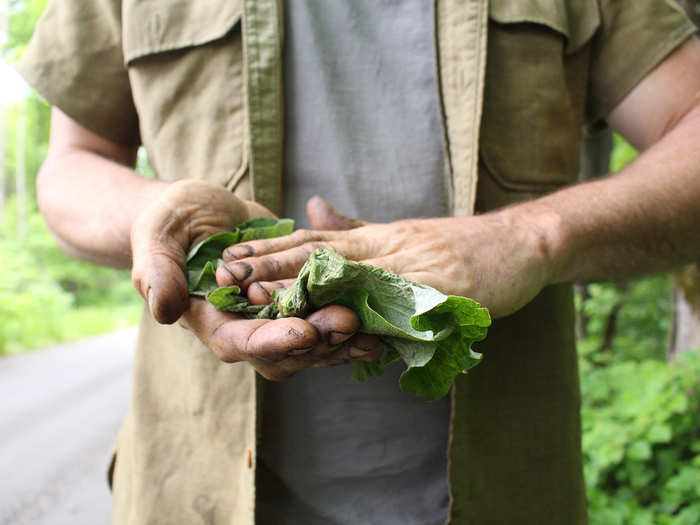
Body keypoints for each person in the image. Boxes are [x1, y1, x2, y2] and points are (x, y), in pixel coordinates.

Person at [16, 0, 700, 524]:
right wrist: (152, 217)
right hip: (189, 493)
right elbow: (71, 164)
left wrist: (531, 236)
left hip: (509, 490)